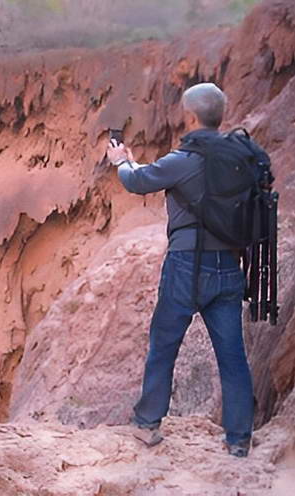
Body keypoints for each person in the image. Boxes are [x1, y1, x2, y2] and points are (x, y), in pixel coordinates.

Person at [106, 83, 254, 458]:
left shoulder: (183, 159)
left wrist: (121, 160)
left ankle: (148, 424)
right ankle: (239, 440)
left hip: (188, 265)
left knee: (165, 343)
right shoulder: (240, 157)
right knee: (232, 355)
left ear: (189, 117)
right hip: (230, 267)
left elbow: (138, 181)